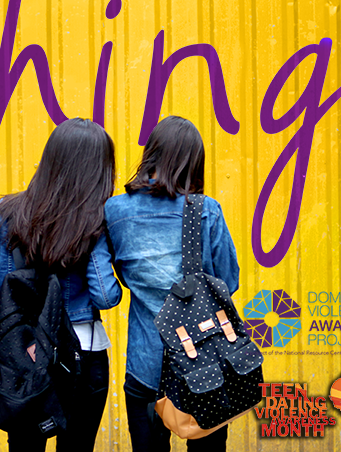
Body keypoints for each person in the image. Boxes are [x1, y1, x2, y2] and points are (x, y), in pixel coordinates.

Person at [0, 117, 122, 452]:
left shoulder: (7, 214)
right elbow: (106, 296)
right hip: (82, 357)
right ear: (99, 171)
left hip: (22, 357)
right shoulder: (95, 221)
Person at [105, 116, 239, 452]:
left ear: (151, 154)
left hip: (145, 367)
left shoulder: (115, 211)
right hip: (204, 366)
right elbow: (229, 281)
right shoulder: (206, 211)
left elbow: (116, 272)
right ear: (194, 163)